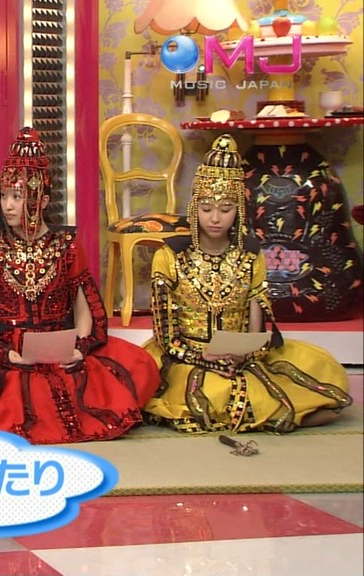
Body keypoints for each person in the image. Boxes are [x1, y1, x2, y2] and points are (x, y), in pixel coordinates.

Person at [0, 128, 159, 444]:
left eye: (17, 196)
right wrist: (4, 353)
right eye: (4, 196)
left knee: (137, 365)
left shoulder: (67, 245)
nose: (8, 206)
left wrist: (79, 347)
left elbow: (83, 306)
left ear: (43, 200)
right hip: (11, 350)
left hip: (59, 346)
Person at [144, 134, 353, 433]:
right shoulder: (169, 256)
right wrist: (202, 357)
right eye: (206, 208)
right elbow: (165, 334)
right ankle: (279, 415)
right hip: (186, 355)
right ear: (194, 208)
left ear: (239, 210)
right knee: (212, 392)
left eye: (225, 209)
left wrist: (246, 353)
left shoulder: (251, 256)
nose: (215, 218)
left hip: (238, 355)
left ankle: (278, 410)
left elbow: (257, 317)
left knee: (322, 366)